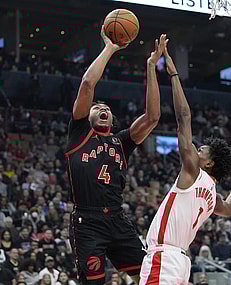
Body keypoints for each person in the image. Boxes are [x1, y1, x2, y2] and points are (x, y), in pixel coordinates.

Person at [139, 40, 231, 285]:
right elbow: (230, 208)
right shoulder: (213, 195)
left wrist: (172, 73)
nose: (195, 148)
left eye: (201, 149)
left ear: (209, 162)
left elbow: (183, 117)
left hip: (164, 256)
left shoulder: (192, 171)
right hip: (182, 263)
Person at [66, 25, 166, 284]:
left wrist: (151, 66)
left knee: (149, 277)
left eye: (107, 108)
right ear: (86, 114)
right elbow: (88, 83)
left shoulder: (121, 142)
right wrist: (110, 48)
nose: (103, 109)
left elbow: (153, 117)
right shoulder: (79, 134)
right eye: (97, 106)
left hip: (118, 219)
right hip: (86, 222)